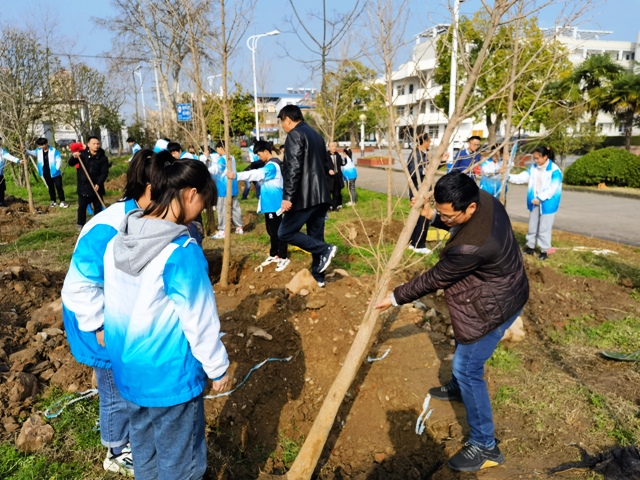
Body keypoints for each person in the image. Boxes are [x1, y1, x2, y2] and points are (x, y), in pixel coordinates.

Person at [375, 172, 529, 473]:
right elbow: (456, 227)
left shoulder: (472, 246)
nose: (444, 220)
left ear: (469, 208)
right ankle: (460, 389)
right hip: (495, 289)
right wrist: (433, 215)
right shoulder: (484, 199)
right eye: (441, 212)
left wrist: (395, 297)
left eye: (448, 215)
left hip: (493, 306)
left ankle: (486, 446)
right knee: (463, 345)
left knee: (466, 367)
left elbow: (436, 277)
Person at [103, 153, 229, 480]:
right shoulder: (180, 254)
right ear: (189, 194)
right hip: (169, 378)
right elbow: (199, 321)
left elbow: (113, 304)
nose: (201, 212)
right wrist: (218, 368)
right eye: (203, 203)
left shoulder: (119, 241)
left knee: (145, 453)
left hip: (128, 372)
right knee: (181, 464)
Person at [61, 149, 155, 476]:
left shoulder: (143, 218)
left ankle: (130, 436)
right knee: (114, 387)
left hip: (116, 314)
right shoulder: (109, 228)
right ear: (151, 190)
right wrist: (98, 324)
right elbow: (78, 285)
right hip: (93, 315)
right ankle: (116, 449)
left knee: (126, 379)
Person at [277, 105, 337, 287]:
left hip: (304, 196)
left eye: (282, 123)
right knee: (315, 235)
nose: (283, 127)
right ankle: (318, 278)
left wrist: (288, 196)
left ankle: (325, 249)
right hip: (321, 195)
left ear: (288, 119)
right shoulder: (317, 136)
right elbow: (326, 164)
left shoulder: (295, 135)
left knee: (285, 232)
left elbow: (294, 167)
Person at [233, 140, 289, 271]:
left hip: (275, 205)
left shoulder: (272, 166)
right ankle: (274, 253)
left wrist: (237, 175)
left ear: (266, 152)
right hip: (269, 204)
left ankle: (283, 256)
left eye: (259, 154)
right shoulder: (270, 164)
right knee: (271, 231)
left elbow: (257, 174)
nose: (259, 157)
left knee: (278, 231)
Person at [507, 146, 562, 260]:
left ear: (545, 157)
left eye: (538, 158)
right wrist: (508, 177)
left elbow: (553, 188)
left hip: (548, 203)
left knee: (544, 227)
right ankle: (530, 246)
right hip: (534, 201)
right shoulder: (533, 168)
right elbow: (522, 177)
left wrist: (541, 197)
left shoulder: (554, 170)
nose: (535, 161)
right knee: (532, 225)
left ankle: (544, 250)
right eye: (534, 158)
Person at [69, 136, 110, 229]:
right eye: (94, 144)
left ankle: (98, 223)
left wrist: (99, 184)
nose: (96, 146)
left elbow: (104, 173)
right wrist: (73, 157)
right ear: (88, 144)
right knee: (82, 207)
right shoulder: (82, 155)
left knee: (98, 207)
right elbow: (71, 163)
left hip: (96, 187)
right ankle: (81, 224)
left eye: (98, 144)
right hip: (83, 187)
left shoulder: (102, 158)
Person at [209, 140, 243, 238]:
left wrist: (205, 170)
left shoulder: (223, 159)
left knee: (222, 209)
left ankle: (222, 230)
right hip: (233, 186)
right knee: (235, 208)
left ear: (221, 148)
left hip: (223, 188)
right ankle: (239, 227)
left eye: (217, 149)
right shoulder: (231, 157)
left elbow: (217, 169)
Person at [407, 133, 432, 254]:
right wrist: (424, 171)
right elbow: (412, 171)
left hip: (421, 191)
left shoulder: (423, 155)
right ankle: (419, 244)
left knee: (417, 217)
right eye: (429, 141)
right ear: (425, 141)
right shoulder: (416, 155)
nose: (430, 144)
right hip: (419, 191)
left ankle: (413, 242)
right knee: (423, 216)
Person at [27, 137, 68, 208]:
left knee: (59, 186)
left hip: (55, 172)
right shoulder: (38, 151)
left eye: (43, 145)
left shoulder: (53, 150)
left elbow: (59, 160)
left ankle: (62, 201)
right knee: (50, 187)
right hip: (45, 171)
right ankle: (53, 201)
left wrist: (56, 168)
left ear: (46, 143)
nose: (42, 146)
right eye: (40, 145)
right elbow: (31, 152)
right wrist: (25, 149)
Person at [0, 137, 24, 207]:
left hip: (0, 174)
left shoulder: (1, 151)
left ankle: (1, 202)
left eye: (0, 141)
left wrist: (18, 160)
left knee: (1, 189)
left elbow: (8, 156)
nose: (0, 143)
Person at [326, 141, 346, 211]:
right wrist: (328, 170)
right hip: (329, 178)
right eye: (332, 146)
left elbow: (342, 163)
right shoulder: (325, 156)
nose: (334, 147)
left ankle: (335, 207)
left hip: (337, 177)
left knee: (336, 193)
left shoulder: (338, 155)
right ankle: (328, 207)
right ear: (329, 147)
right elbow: (323, 165)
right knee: (328, 193)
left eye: (335, 146)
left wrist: (345, 158)